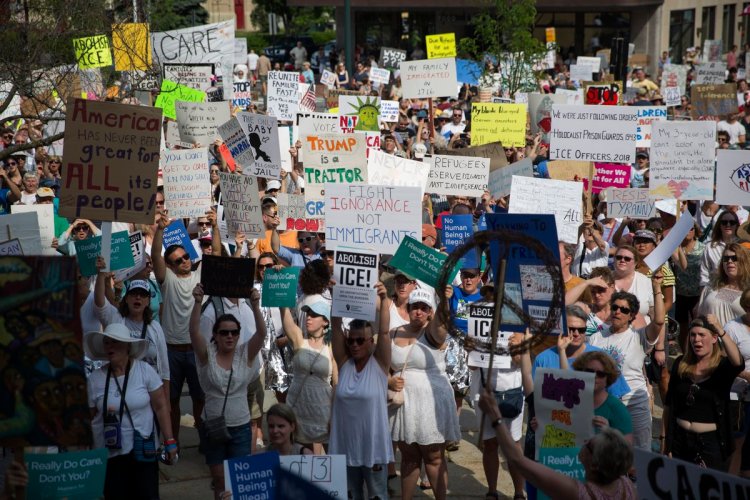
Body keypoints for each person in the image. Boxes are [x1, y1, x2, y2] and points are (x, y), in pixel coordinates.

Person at [479, 389, 636, 500]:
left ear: (594, 464)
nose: (586, 441)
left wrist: (495, 415)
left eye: (589, 444)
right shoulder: (626, 486)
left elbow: (517, 460)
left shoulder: (578, 493)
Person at [189, 283, 266, 500]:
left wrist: (255, 305)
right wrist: (197, 303)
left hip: (241, 425)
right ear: (215, 334)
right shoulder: (207, 354)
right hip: (213, 425)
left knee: (238, 480)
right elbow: (194, 331)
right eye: (224, 333)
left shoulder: (245, 354)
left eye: (234, 332)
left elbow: (261, 333)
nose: (230, 336)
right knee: (219, 479)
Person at [382, 288, 460, 500]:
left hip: (431, 401)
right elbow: (383, 364)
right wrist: (390, 379)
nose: (418, 312)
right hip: (403, 401)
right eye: (414, 307)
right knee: (408, 457)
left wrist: (444, 300)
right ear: (408, 309)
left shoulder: (434, 332)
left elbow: (442, 325)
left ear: (430, 312)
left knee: (434, 456)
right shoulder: (395, 332)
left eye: (424, 308)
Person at [86, 323, 176, 499]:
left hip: (142, 451)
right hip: (110, 454)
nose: (109, 346)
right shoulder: (95, 379)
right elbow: (89, 417)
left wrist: (170, 440)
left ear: (128, 346)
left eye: (115, 342)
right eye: (107, 342)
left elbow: (161, 406)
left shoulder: (144, 371)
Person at [152, 209, 214, 446]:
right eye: (178, 260)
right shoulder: (166, 280)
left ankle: (204, 442)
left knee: (200, 399)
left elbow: (216, 252)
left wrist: (215, 228)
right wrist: (159, 229)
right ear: (169, 265)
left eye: (186, 256)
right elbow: (156, 255)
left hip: (197, 351)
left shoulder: (199, 274)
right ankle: (172, 444)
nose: (185, 261)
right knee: (173, 401)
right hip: (172, 351)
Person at [330, 283, 393, 500]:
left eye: (360, 340)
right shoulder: (343, 362)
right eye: (351, 340)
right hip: (344, 448)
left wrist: (384, 300)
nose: (354, 345)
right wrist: (335, 297)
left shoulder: (380, 365)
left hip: (373, 449)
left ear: (370, 341)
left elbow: (384, 332)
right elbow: (335, 327)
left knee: (377, 496)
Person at [589, 285, 665, 450]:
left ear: (631, 316)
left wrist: (657, 288)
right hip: (606, 403)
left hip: (634, 403)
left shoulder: (639, 336)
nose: (618, 312)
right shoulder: (596, 338)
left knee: (639, 452)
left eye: (624, 310)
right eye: (615, 307)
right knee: (607, 451)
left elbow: (659, 321)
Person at [664, 315, 744, 471]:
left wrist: (721, 330)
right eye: (693, 335)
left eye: (702, 335)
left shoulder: (722, 366)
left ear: (714, 338)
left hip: (710, 443)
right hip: (680, 440)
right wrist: (666, 441)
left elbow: (738, 362)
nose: (696, 339)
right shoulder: (681, 364)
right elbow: (668, 405)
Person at [93, 261, 169, 396]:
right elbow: (100, 302)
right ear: (126, 299)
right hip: (121, 388)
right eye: (134, 294)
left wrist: (166, 401)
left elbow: (164, 368)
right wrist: (101, 275)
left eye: (142, 294)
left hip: (150, 389)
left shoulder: (155, 327)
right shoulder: (115, 319)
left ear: (147, 302)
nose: (138, 297)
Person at [280, 300, 337, 454]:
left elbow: (337, 384)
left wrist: (334, 417)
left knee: (332, 462)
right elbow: (286, 318)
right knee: (300, 459)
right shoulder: (299, 340)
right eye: (308, 314)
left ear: (325, 321)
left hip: (322, 413)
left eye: (314, 315)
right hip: (298, 408)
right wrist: (281, 296)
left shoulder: (332, 346)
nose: (308, 318)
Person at [562, 351, 633, 442]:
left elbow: (627, 448)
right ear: (580, 372)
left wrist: (609, 432)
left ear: (608, 378)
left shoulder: (617, 409)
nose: (594, 376)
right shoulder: (565, 401)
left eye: (600, 374)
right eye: (589, 372)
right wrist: (540, 425)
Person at [697, 243, 750, 326]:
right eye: (726, 258)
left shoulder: (748, 290)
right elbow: (699, 318)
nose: (729, 261)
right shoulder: (711, 287)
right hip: (711, 337)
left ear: (744, 261)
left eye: (734, 258)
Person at [672, 222, 705, 350]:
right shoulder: (676, 248)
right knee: (682, 326)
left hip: (697, 294)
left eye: (690, 229)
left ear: (695, 231)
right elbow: (680, 265)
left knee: (698, 325)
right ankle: (685, 352)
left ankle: (697, 350)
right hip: (681, 293)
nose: (687, 231)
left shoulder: (703, 248)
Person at [612, 245, 653, 320]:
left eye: (627, 259)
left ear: (635, 263)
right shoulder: (606, 279)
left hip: (640, 329)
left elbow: (653, 309)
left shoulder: (645, 281)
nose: (622, 260)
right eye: (619, 257)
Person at [701, 210, 740, 287]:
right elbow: (704, 275)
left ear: (736, 225)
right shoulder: (710, 247)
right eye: (724, 222)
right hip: (716, 289)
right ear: (720, 225)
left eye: (732, 222)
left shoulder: (743, 245)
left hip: (738, 289)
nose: (728, 225)